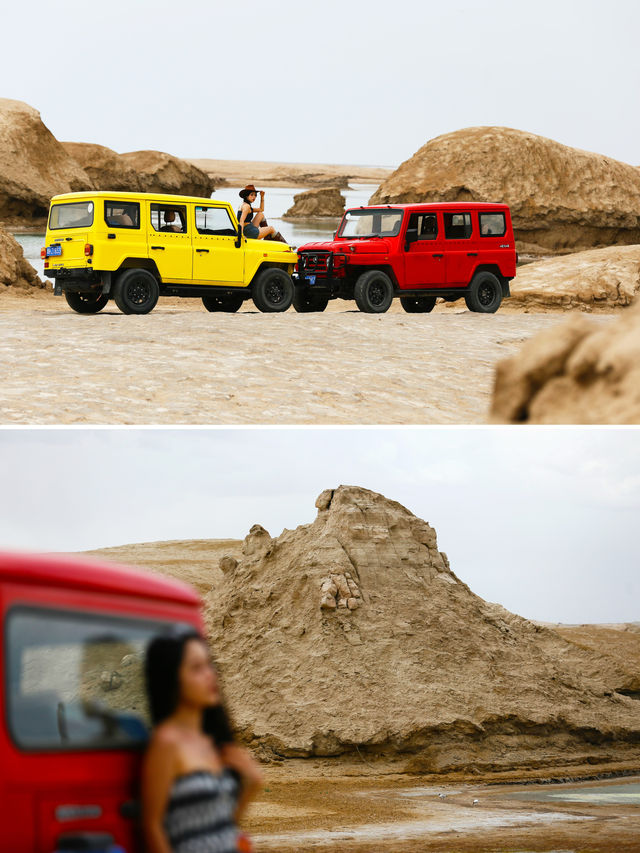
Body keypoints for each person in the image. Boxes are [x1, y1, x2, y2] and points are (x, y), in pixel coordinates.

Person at [141, 630, 263, 853]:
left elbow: (221, 826)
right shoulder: (166, 742)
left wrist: (252, 785)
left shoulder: (212, 741)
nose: (210, 675)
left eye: (209, 665)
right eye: (196, 668)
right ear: (172, 678)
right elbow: (152, 826)